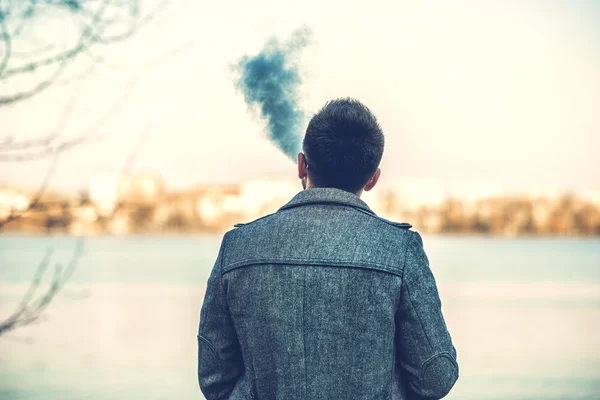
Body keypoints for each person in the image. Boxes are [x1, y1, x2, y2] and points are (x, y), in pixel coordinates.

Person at [197, 98, 458, 400]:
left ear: (301, 165)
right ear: (373, 178)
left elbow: (214, 378)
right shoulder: (399, 250)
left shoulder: (238, 247)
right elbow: (435, 378)